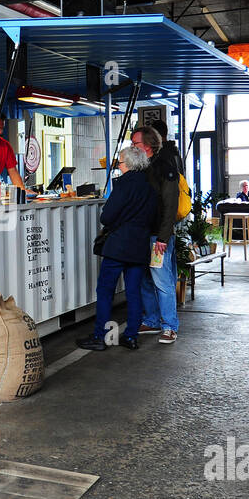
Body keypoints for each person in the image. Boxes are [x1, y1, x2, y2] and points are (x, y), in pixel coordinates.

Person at [78, 145, 157, 352]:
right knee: (133, 292)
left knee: (105, 291)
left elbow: (107, 217)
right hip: (139, 246)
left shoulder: (122, 185)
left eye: (120, 162)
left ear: (128, 164)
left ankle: (100, 336)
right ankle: (131, 336)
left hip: (118, 246)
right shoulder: (150, 186)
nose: (119, 166)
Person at [130, 124, 180, 344]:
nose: (133, 147)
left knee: (162, 281)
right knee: (144, 280)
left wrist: (163, 238)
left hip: (157, 237)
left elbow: (170, 206)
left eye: (136, 144)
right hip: (142, 236)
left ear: (148, 145)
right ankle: (151, 320)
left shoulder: (164, 167)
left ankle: (170, 326)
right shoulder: (141, 167)